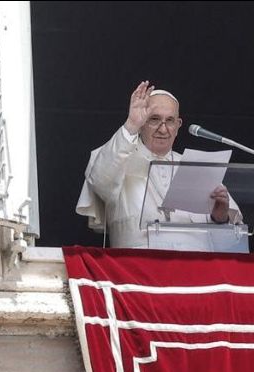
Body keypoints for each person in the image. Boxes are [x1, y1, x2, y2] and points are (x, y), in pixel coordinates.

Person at [76, 81, 240, 249]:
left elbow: (227, 237)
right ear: (142, 123)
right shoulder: (116, 157)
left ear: (178, 126)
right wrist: (131, 124)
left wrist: (220, 216)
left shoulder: (198, 166)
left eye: (170, 121)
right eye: (154, 119)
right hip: (135, 266)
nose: (163, 129)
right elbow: (100, 181)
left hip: (195, 266)